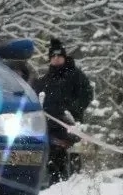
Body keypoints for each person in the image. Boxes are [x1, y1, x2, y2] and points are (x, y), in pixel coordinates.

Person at [35, 38, 94, 186]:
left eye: (59, 56)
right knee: (52, 164)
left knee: (71, 165)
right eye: (53, 56)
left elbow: (87, 95)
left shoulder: (75, 75)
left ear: (64, 56)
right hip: (49, 128)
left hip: (70, 126)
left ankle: (72, 188)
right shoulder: (45, 79)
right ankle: (53, 188)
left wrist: (72, 110)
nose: (56, 58)